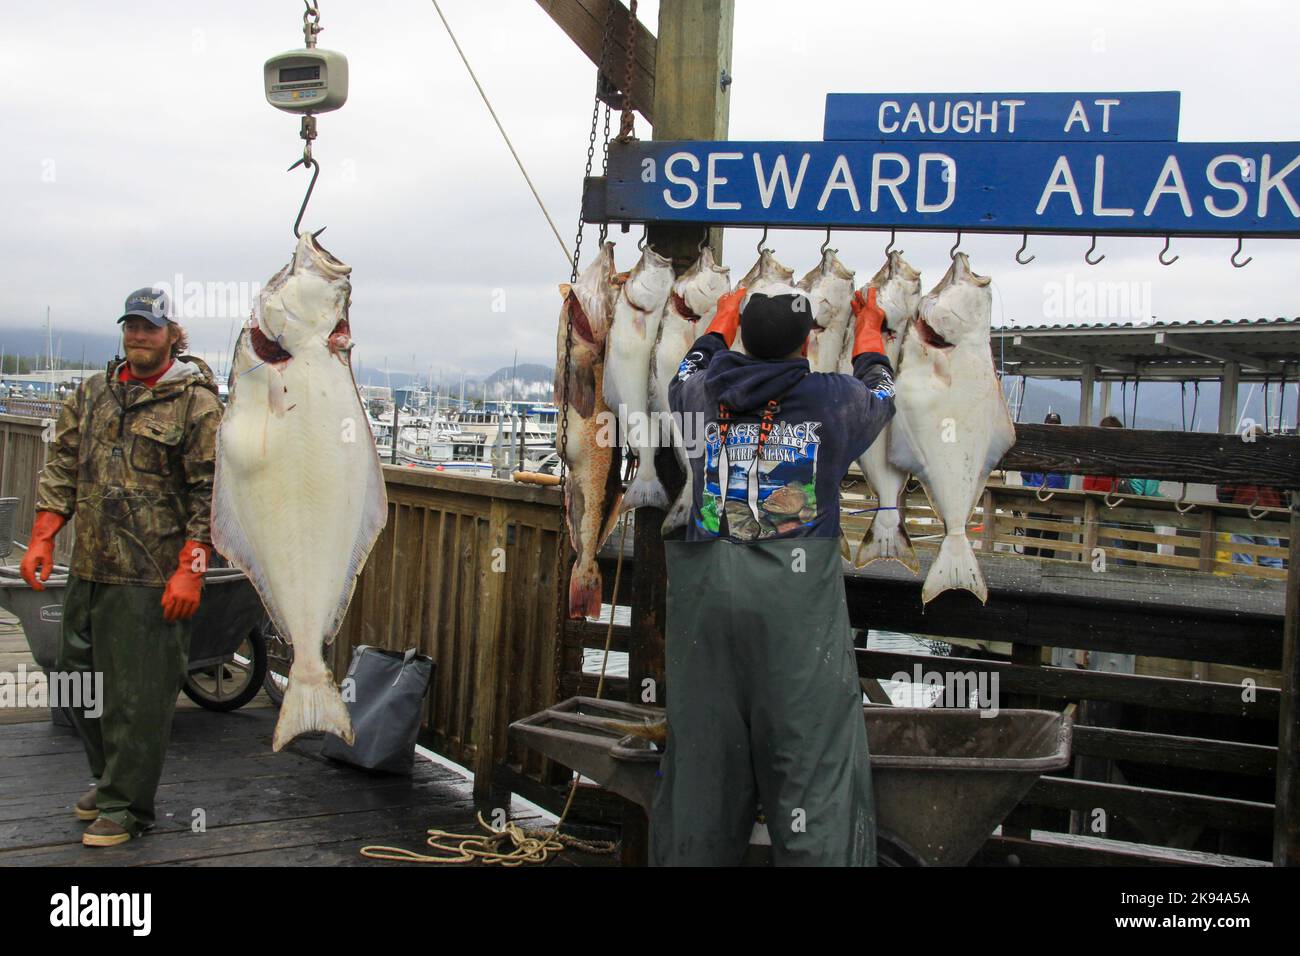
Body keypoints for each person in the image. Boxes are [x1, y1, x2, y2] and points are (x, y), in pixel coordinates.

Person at [650, 282, 895, 866]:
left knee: (703, 768)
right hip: (796, 619)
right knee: (812, 765)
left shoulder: (700, 394)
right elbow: (882, 389)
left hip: (708, 611)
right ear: (808, 342)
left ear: (744, 336)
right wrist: (869, 325)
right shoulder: (835, 401)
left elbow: (685, 369)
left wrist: (720, 319)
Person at [21, 287, 224, 847]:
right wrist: (42, 537)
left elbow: (211, 493)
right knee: (75, 681)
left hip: (153, 578)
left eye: (149, 327)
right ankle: (112, 780)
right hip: (89, 566)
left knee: (138, 698)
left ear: (172, 336)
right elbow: (62, 465)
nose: (138, 335)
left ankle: (128, 807)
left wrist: (192, 569)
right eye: (131, 325)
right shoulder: (93, 393)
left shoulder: (197, 405)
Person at [1021, 411, 1067, 558]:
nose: (1053, 428)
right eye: (1051, 425)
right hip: (1043, 496)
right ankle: (1031, 563)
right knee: (1036, 538)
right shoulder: (1064, 448)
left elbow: (1025, 472)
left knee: (1048, 539)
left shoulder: (1038, 446)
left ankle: (1042, 564)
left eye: (1055, 425)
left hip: (1052, 497)